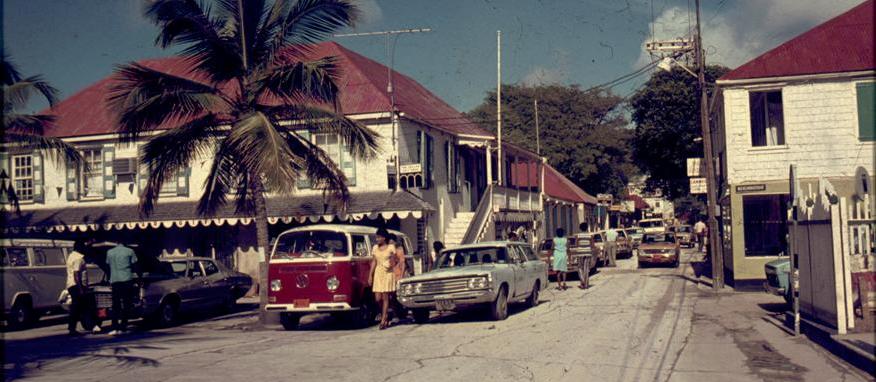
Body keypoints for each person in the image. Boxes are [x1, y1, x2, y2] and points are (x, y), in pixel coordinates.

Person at [368, 228, 400, 330]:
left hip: (387, 273)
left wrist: (390, 264)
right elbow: (374, 261)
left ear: (384, 238)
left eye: (378, 237)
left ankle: (383, 319)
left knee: (385, 297)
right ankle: (385, 313)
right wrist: (370, 275)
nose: (377, 239)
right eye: (376, 237)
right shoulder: (375, 248)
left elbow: (395, 259)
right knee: (378, 298)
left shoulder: (391, 247)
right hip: (378, 273)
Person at [106, 242, 137, 335]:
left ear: (116, 242)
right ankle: (123, 326)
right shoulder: (130, 251)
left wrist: (109, 279)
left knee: (116, 304)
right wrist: (139, 278)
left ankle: (114, 326)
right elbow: (135, 265)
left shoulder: (109, 252)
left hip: (115, 280)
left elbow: (108, 266)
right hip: (127, 279)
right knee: (127, 304)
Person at [65, 241, 88, 336]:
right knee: (77, 307)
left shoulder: (71, 256)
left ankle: (72, 327)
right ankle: (72, 328)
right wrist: (81, 288)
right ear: (80, 248)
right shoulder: (78, 258)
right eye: (83, 247)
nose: (85, 249)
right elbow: (76, 274)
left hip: (71, 284)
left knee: (77, 307)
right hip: (76, 285)